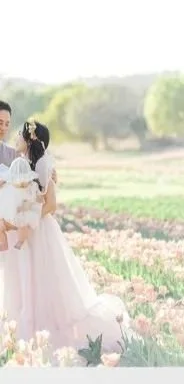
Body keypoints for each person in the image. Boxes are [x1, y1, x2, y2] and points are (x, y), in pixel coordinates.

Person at [0, 119, 129, 357]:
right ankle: (21, 336)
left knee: (42, 283)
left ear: (30, 139)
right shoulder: (19, 164)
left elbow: (51, 205)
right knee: (20, 283)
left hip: (39, 233)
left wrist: (23, 220)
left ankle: (45, 336)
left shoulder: (42, 165)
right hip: (21, 230)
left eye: (19, 134)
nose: (16, 137)